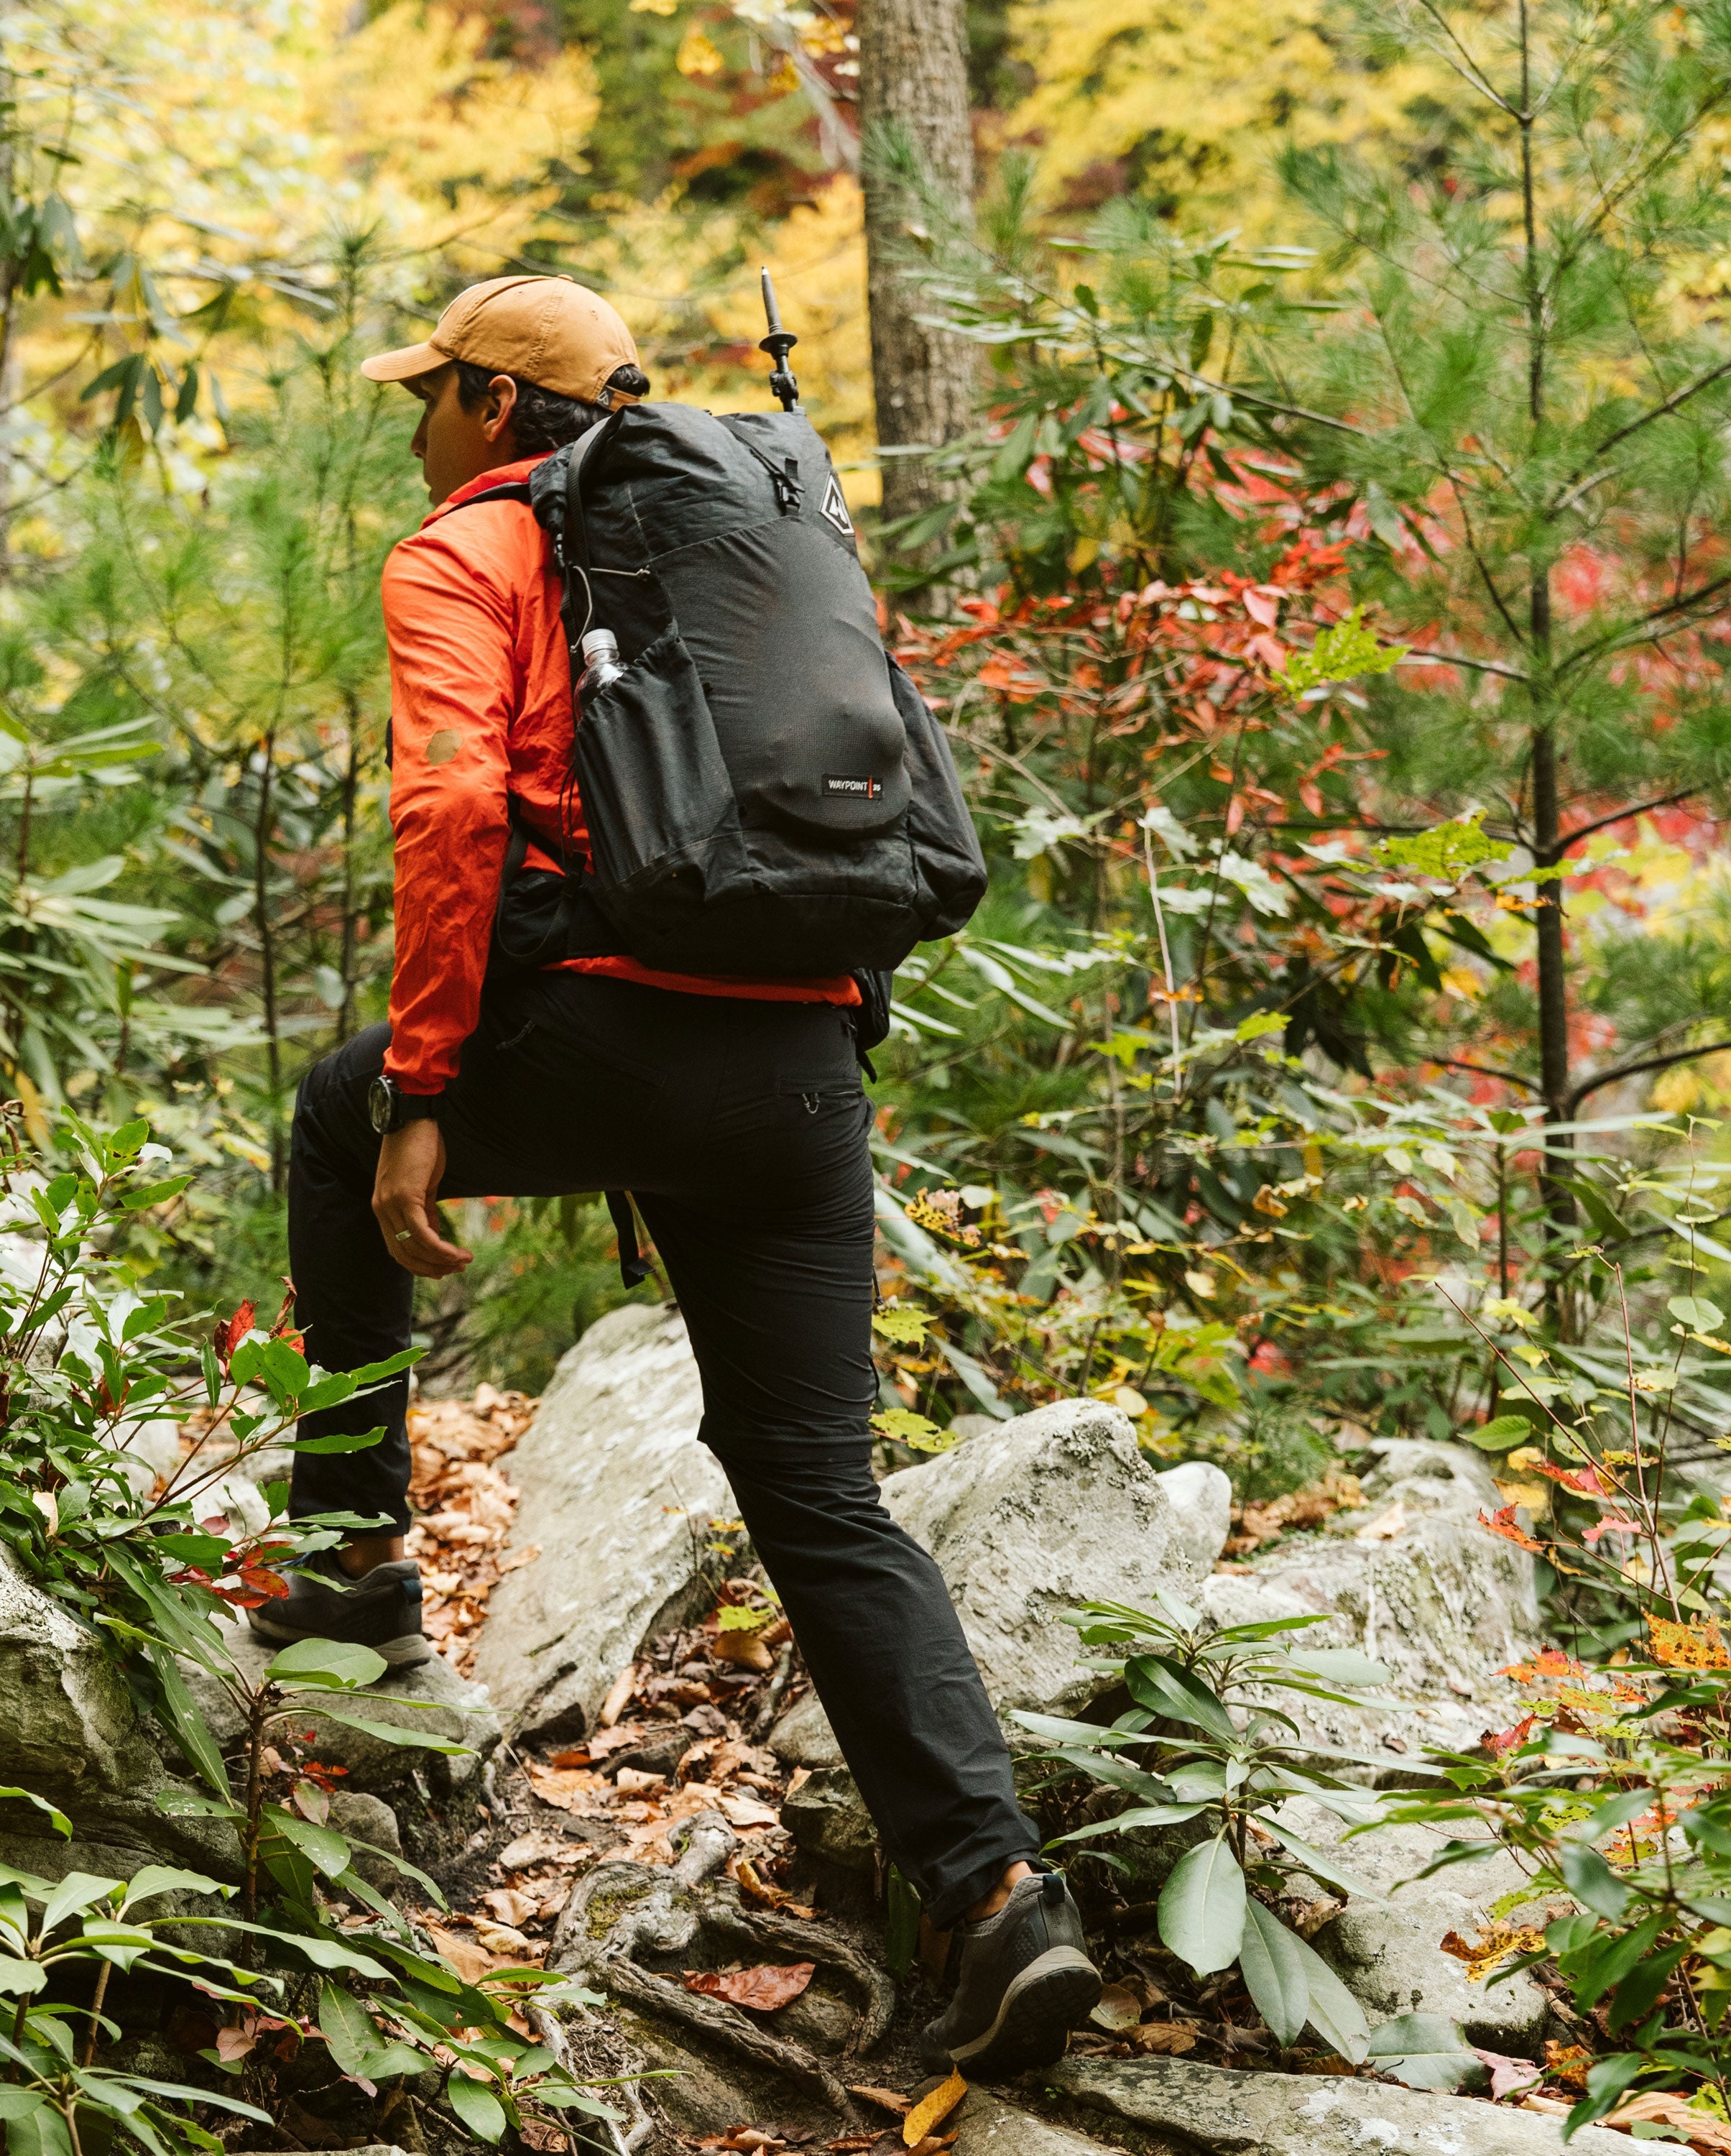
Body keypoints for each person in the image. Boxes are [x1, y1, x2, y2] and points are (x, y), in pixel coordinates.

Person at [260, 272, 1101, 2076]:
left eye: (428, 395)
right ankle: (993, 1892)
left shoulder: (469, 555)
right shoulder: (744, 541)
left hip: (614, 1031)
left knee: (335, 1124)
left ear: (496, 407)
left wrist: (426, 1080)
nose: (410, 427)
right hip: (802, 1059)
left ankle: (350, 1563)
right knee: (821, 1493)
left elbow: (455, 812)